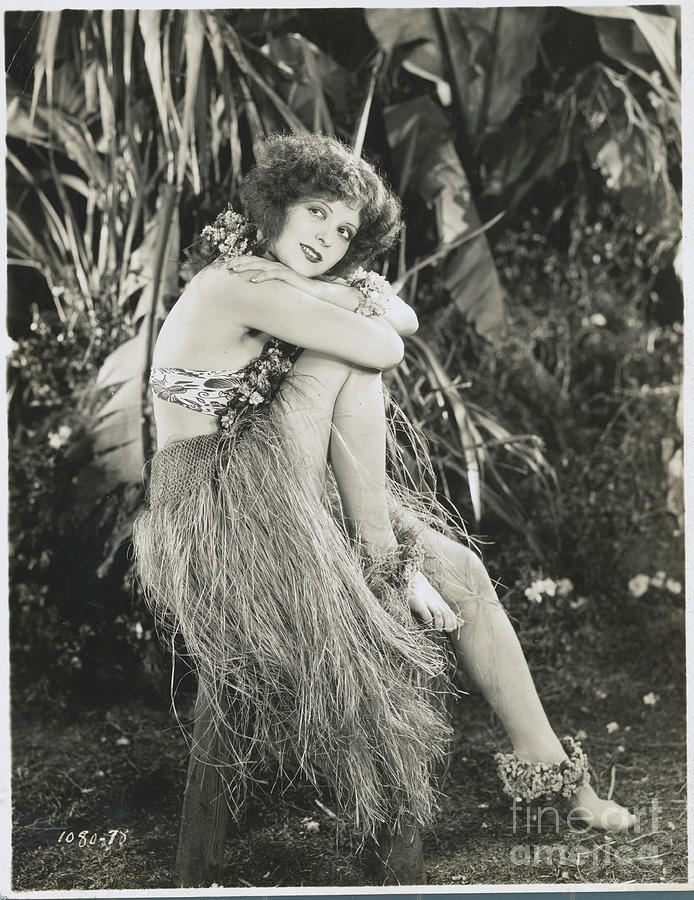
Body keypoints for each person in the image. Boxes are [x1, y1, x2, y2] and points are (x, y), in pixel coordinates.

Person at [132, 133, 633, 882]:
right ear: (275, 204)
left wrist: (356, 294)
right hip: (218, 503)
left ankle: (554, 771)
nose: (327, 237)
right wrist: (359, 296)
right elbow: (390, 342)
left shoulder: (279, 279)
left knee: (462, 571)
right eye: (314, 211)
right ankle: (383, 560)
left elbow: (402, 315)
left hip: (278, 486)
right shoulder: (236, 281)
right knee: (349, 360)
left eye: (344, 231)